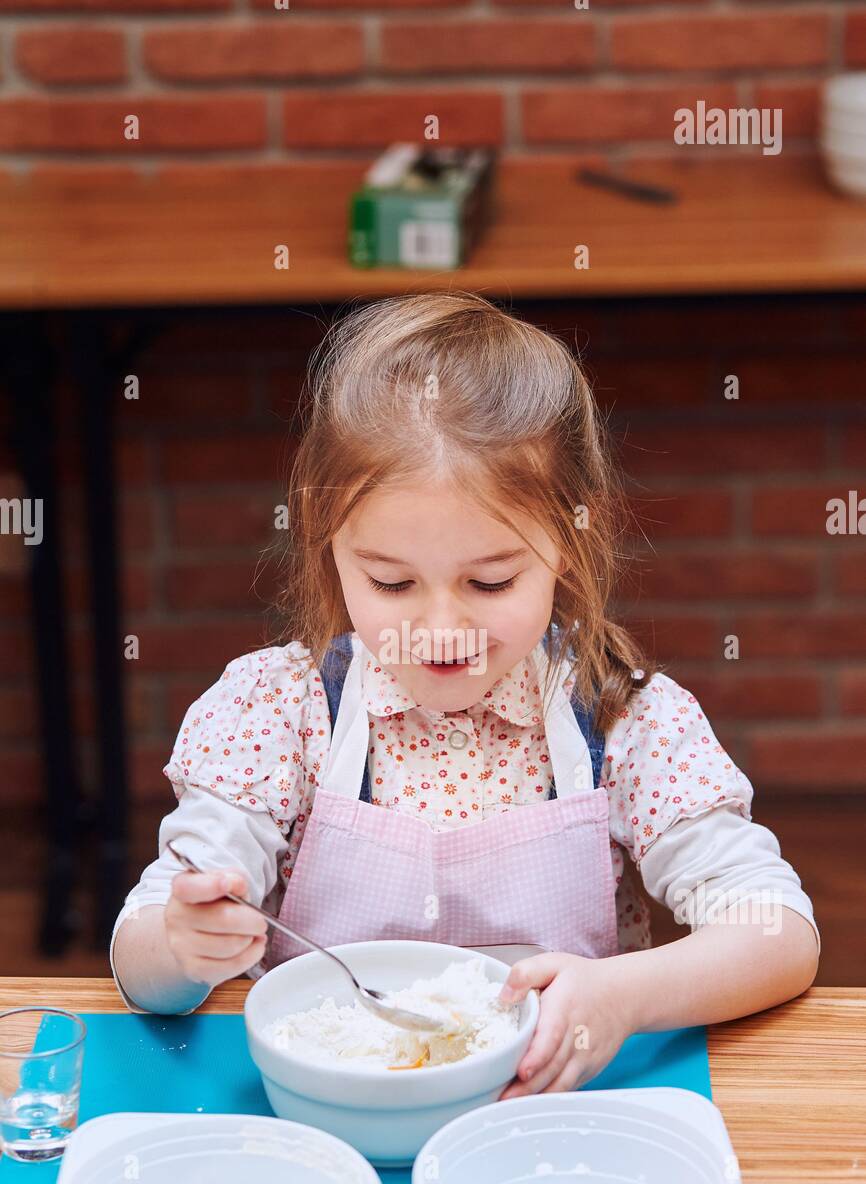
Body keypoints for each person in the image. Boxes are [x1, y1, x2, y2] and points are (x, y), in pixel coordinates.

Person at [112, 291, 819, 1099]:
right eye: (391, 581)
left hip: (549, 1136)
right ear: (329, 547)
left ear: (568, 542)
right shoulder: (278, 711)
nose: (440, 628)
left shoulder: (625, 718)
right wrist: (180, 947)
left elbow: (780, 935)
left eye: (490, 581)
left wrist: (623, 997)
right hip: (329, 1130)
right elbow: (143, 973)